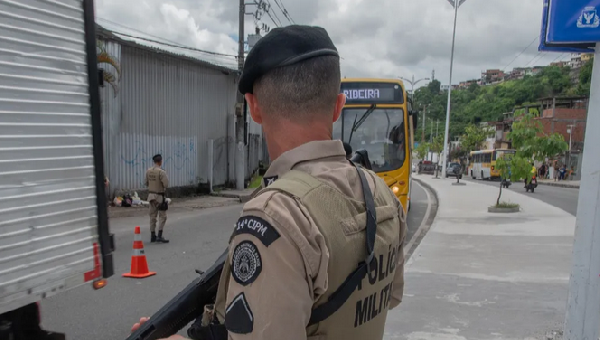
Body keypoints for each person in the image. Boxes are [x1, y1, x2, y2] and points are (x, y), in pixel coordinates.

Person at [132, 25, 406, 340]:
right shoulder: (381, 193)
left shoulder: (275, 215)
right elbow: (389, 297)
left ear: (254, 106)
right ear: (338, 106)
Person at [145, 154, 169, 243]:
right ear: (160, 161)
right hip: (159, 196)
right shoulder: (161, 172)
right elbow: (166, 184)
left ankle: (152, 235)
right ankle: (159, 235)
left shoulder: (148, 171)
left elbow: (146, 183)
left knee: (152, 216)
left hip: (151, 196)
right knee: (163, 216)